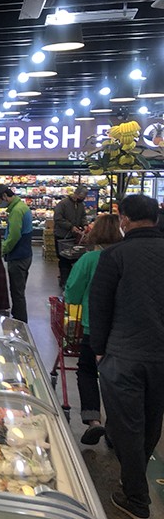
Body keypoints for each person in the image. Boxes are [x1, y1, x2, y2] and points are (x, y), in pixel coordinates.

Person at [89, 195, 164, 519]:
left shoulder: (114, 255)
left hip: (123, 354)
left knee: (126, 427)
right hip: (159, 356)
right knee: (152, 421)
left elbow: (100, 306)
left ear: (124, 220)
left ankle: (135, 497)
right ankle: (134, 481)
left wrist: (99, 350)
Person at [63, 214, 122, 446]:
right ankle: (116, 426)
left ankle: (93, 420)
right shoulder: (126, 256)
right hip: (123, 329)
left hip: (93, 325)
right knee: (115, 377)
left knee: (87, 370)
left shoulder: (89, 259)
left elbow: (73, 293)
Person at [0, 184, 33, 323]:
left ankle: (20, 322)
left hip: (18, 256)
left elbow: (14, 236)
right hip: (25, 254)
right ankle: (18, 318)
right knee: (18, 290)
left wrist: (1, 250)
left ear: (4, 196)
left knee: (17, 292)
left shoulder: (16, 211)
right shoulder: (21, 207)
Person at [54, 186, 88, 287]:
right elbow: (58, 218)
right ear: (76, 194)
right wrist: (70, 226)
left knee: (74, 258)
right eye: (81, 197)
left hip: (74, 236)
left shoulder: (80, 205)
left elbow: (83, 216)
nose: (82, 199)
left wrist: (85, 224)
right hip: (62, 236)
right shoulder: (63, 204)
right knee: (63, 259)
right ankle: (64, 281)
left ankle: (71, 281)